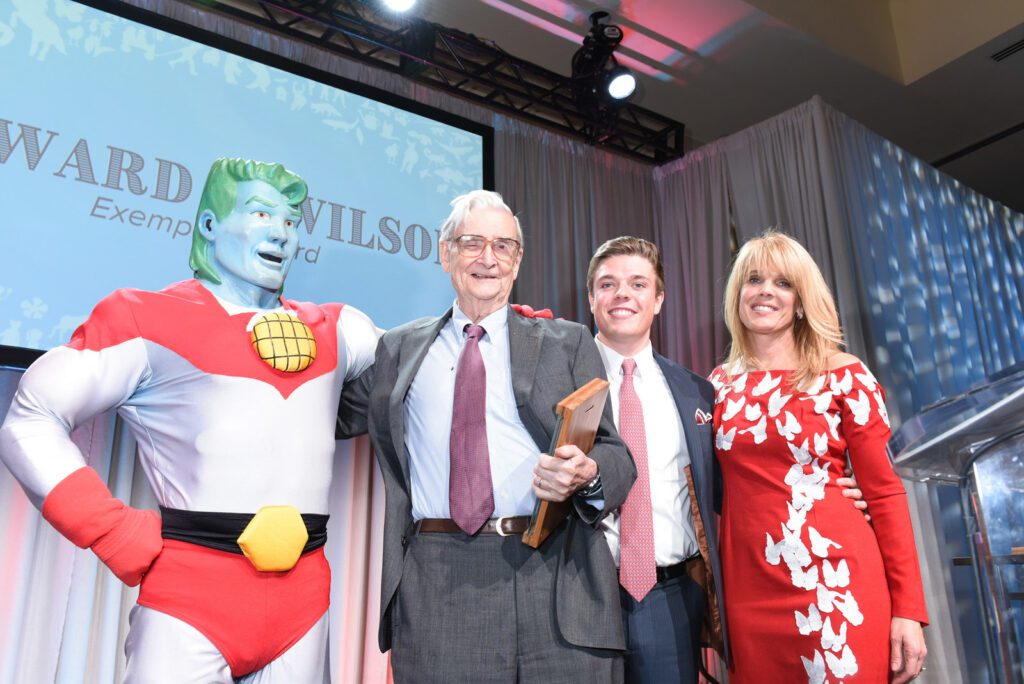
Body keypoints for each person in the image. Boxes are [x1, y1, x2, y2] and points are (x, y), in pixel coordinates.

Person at [0, 158, 379, 682]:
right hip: (192, 600)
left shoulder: (337, 327)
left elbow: (427, 365)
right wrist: (109, 528)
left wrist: (507, 333)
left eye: (291, 221)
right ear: (208, 226)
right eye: (262, 214)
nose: (282, 234)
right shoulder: (147, 318)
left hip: (304, 602)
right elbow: (30, 417)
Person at [336, 190, 636, 683]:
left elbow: (616, 456)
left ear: (517, 261)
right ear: (444, 251)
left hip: (557, 572)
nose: (487, 259)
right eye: (472, 242)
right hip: (439, 582)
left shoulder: (567, 341)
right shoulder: (397, 350)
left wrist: (588, 473)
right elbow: (325, 411)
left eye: (503, 246)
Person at [710, 230, 928, 683]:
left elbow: (885, 495)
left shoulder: (846, 375)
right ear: (738, 294)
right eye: (753, 279)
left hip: (836, 586)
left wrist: (908, 610)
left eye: (783, 282)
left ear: (802, 299)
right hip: (747, 595)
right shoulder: (715, 386)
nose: (766, 290)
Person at [586, 236, 725, 684]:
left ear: (659, 299)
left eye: (638, 284)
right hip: (580, 595)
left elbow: (729, 486)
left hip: (670, 597)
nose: (622, 294)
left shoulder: (696, 392)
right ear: (591, 299)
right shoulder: (557, 379)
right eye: (608, 284)